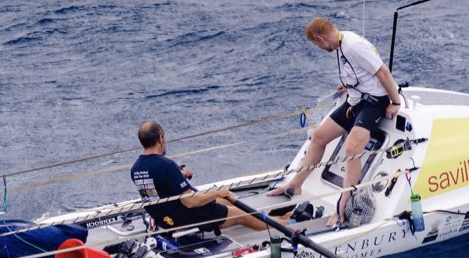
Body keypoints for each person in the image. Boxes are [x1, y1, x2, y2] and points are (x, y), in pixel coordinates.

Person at [269, 17, 404, 226]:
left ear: (321, 39)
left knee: (352, 149)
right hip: (356, 99)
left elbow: (383, 72)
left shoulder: (354, 46)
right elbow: (358, 70)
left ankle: (343, 206)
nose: (319, 48)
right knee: (319, 137)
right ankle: (295, 185)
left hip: (375, 102)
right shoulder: (341, 43)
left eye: (316, 44)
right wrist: (348, 84)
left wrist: (395, 102)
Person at [130, 120, 264, 235]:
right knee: (240, 214)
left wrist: (179, 176)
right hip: (185, 216)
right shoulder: (167, 165)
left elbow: (156, 187)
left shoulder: (135, 168)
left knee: (223, 202)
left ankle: (267, 220)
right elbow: (190, 202)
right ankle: (276, 225)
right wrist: (217, 192)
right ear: (161, 138)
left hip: (164, 219)